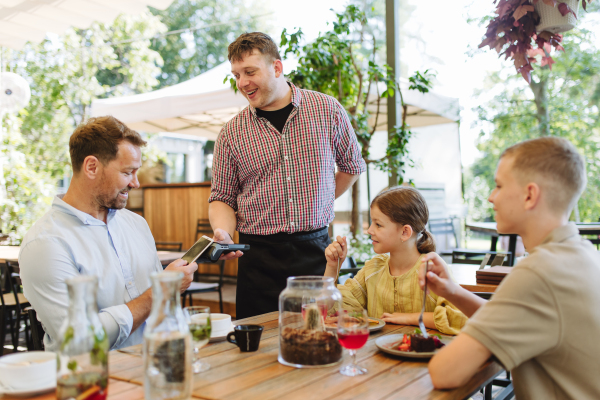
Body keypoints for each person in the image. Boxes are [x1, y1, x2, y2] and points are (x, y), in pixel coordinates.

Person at [420, 137, 600, 399]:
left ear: (530, 195)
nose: (491, 197)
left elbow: (444, 372)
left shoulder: (539, 272)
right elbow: (518, 319)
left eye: (499, 186)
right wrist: (452, 291)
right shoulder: (582, 254)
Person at [208, 32, 366, 319]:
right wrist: (223, 232)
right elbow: (222, 197)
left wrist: (320, 199)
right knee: (257, 357)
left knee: (318, 341)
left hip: (316, 254)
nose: (242, 82)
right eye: (236, 74)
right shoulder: (231, 132)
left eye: (250, 71)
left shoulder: (327, 110)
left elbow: (352, 166)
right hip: (257, 259)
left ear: (277, 68)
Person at [19, 116, 198, 351]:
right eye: (127, 172)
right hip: (94, 380)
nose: (136, 183)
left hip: (158, 365)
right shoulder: (45, 244)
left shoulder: (136, 224)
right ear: (91, 167)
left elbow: (161, 312)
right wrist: (159, 292)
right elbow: (79, 341)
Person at [324, 187, 467, 335]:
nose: (370, 230)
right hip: (375, 356)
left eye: (378, 224)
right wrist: (332, 266)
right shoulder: (373, 268)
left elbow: (461, 318)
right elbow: (331, 309)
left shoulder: (432, 270)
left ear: (405, 232)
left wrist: (412, 318)